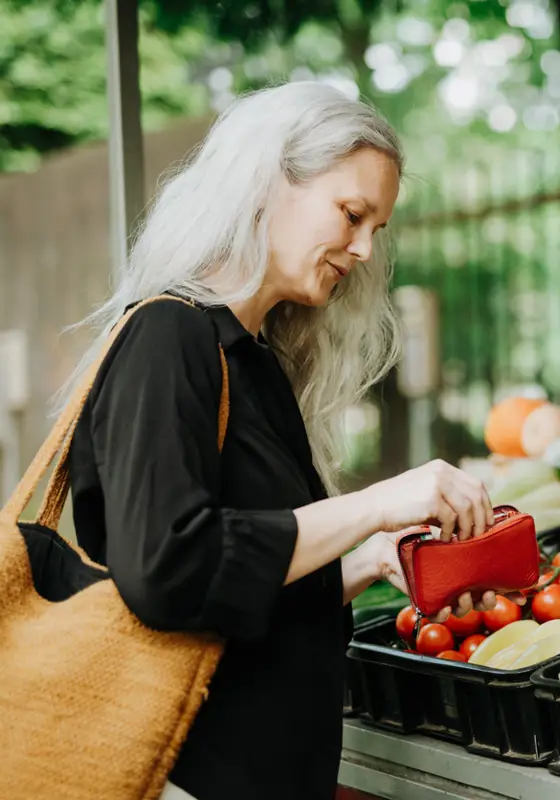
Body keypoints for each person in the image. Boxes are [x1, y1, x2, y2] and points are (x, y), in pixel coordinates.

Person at [60, 81, 515, 800]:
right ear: (269, 181)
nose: (364, 249)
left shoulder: (255, 361)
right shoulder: (167, 335)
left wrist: (363, 562)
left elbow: (241, 592)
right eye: (352, 214)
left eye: (377, 229)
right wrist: (375, 505)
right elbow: (169, 571)